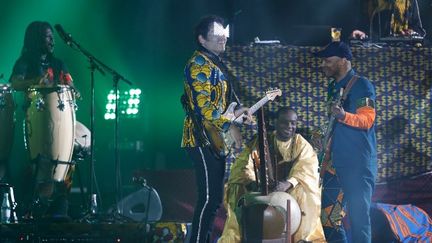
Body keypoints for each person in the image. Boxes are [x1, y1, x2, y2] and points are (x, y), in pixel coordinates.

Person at [181, 15, 251, 243]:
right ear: (202, 40)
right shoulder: (198, 63)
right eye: (217, 37)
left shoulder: (215, 63)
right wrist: (229, 125)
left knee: (213, 200)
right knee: (209, 199)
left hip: (214, 139)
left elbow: (224, 103)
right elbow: (204, 108)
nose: (223, 40)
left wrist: (243, 111)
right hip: (201, 138)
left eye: (224, 36)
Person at [219, 107, 326, 243]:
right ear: (275, 122)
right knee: (235, 186)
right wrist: (253, 183)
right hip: (261, 189)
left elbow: (307, 167)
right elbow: (243, 165)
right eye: (284, 122)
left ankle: (304, 238)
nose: (289, 127)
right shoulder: (261, 140)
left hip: (290, 191)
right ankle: (234, 237)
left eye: (293, 123)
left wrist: (288, 183)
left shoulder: (300, 143)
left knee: (306, 190)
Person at [9, 21, 75, 219]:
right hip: (34, 120)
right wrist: (34, 82)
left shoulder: (58, 63)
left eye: (52, 37)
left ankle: (61, 202)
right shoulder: (25, 62)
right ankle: (32, 207)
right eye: (48, 36)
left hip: (61, 123)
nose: (52, 40)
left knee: (83, 141)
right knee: (38, 163)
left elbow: (70, 85)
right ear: (37, 39)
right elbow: (14, 83)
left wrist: (73, 88)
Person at [314, 41, 377, 243]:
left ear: (344, 61)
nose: (323, 65)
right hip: (334, 165)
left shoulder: (362, 85)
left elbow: (367, 120)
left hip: (357, 165)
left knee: (359, 220)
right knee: (328, 218)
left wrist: (343, 116)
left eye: (328, 60)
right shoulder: (333, 87)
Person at [351, 0, 426, 40]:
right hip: (374, 52)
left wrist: (411, 33)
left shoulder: (410, 1)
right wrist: (361, 33)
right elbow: (360, 28)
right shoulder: (368, 1)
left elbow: (418, 30)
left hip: (404, 53)